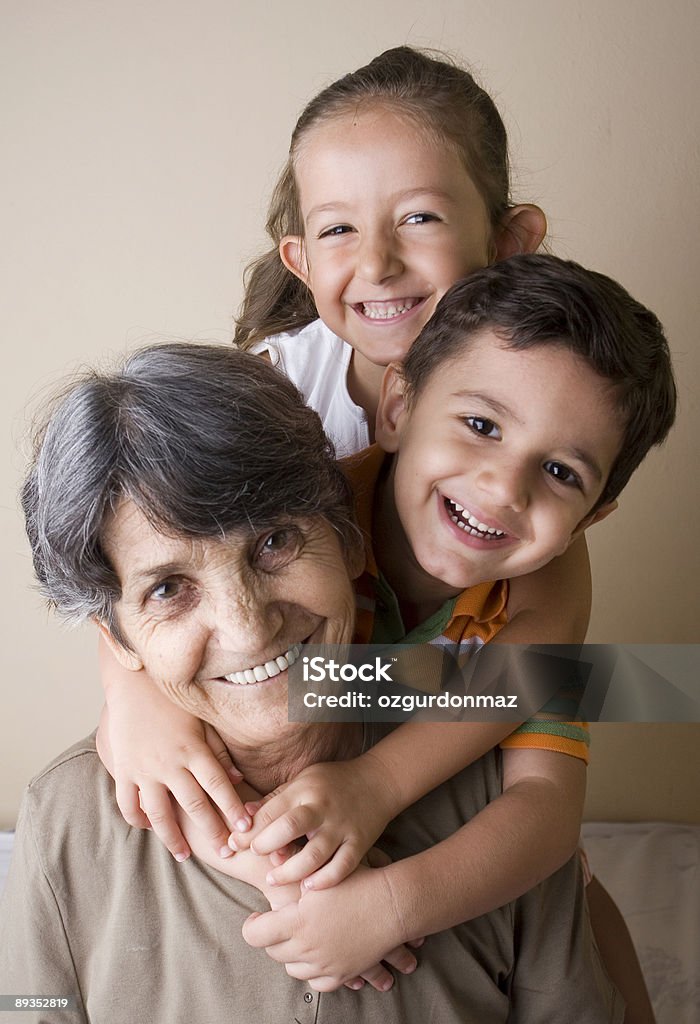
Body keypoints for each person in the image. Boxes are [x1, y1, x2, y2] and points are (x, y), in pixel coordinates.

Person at [0, 344, 622, 1023]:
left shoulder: (492, 789)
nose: (247, 629)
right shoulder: (65, 820)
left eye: (274, 543)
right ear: (115, 637)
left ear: (350, 542)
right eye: (170, 589)